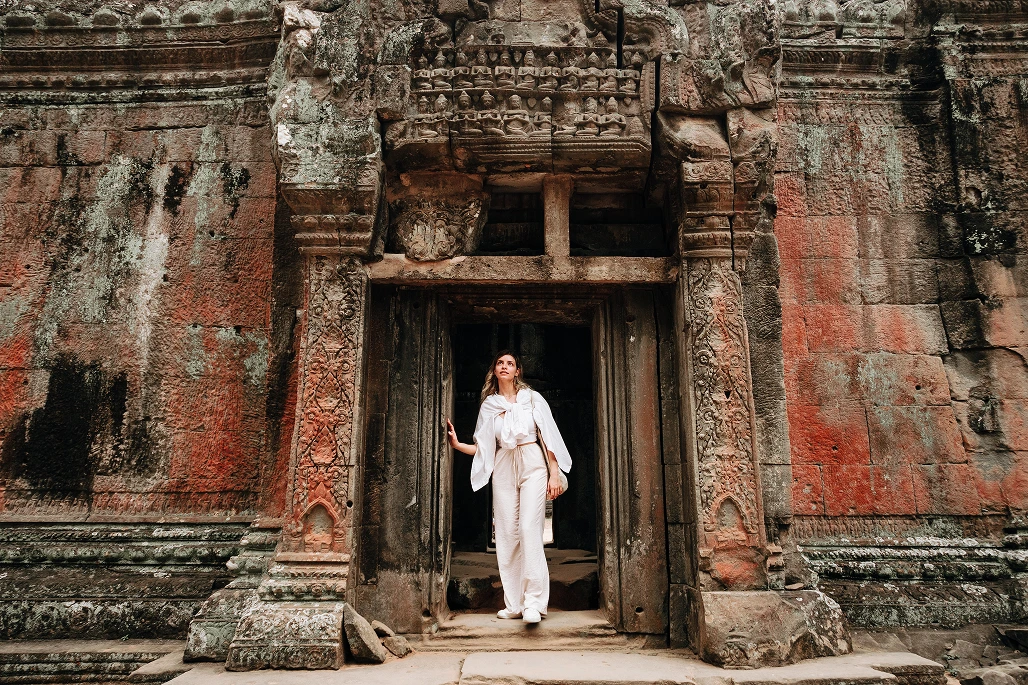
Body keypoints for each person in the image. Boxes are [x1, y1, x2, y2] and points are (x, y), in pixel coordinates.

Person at [446, 351, 571, 625]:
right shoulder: (489, 405)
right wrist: (457, 445)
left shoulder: (532, 399)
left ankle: (534, 604)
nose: (505, 367)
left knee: (528, 528)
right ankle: (514, 603)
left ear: (517, 371)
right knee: (506, 532)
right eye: (500, 363)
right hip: (503, 465)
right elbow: (482, 447)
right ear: (494, 370)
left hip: (533, 463)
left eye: (510, 364)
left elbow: (547, 437)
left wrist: (553, 473)